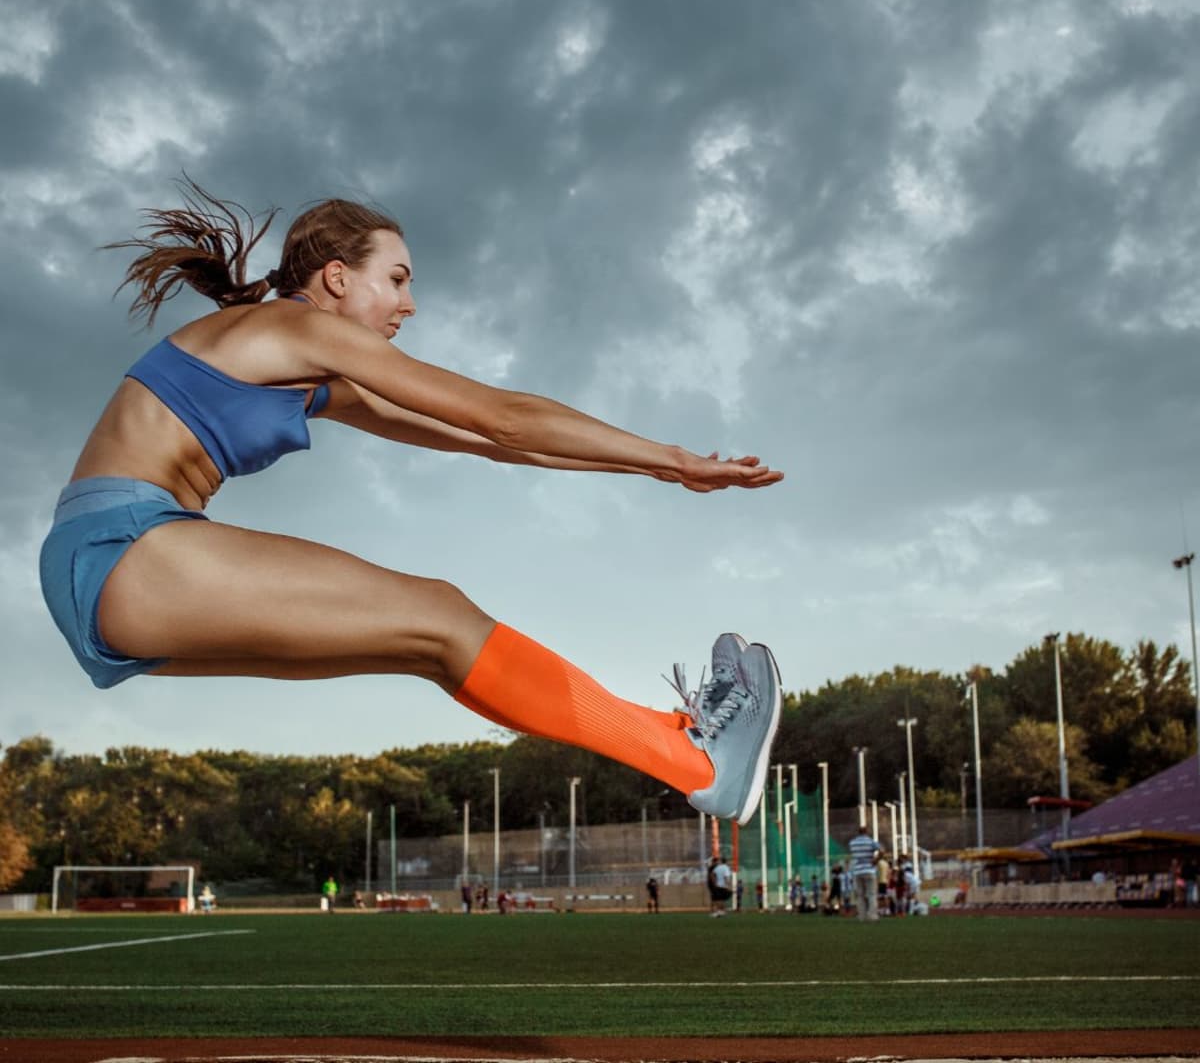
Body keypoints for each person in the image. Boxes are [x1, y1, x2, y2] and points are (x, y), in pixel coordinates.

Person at [38, 182, 785, 829]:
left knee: (433, 641)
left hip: (118, 566)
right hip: (123, 547)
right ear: (335, 277)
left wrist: (659, 470)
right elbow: (502, 415)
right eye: (395, 279)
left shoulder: (312, 370)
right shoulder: (299, 327)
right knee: (442, 615)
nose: (409, 303)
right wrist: (674, 456)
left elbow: (492, 443)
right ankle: (693, 761)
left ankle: (683, 749)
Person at [847, 824, 882, 922]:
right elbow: (882, 850)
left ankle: (861, 916)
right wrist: (876, 860)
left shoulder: (852, 843)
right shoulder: (870, 841)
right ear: (866, 832)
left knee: (860, 895)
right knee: (871, 894)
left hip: (857, 870)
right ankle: (872, 915)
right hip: (869, 869)